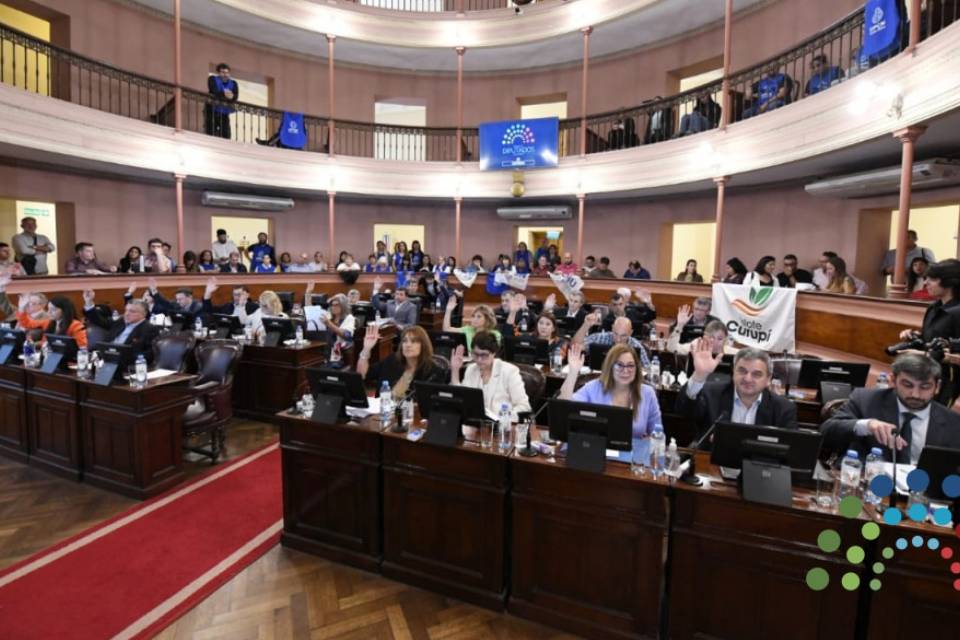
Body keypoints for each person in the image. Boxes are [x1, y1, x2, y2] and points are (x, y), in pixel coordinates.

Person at [821, 354, 960, 463]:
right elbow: (826, 431)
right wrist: (867, 425)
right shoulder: (865, 400)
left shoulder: (954, 422)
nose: (915, 394)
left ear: (937, 387)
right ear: (893, 380)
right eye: (908, 385)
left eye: (925, 387)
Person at [676, 341, 798, 437]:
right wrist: (699, 375)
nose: (748, 379)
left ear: (768, 379)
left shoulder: (783, 409)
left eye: (756, 374)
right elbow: (684, 411)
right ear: (733, 371)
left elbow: (790, 448)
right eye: (742, 371)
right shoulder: (711, 394)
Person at [559, 342, 662, 438]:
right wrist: (573, 372)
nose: (625, 370)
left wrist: (648, 441)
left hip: (634, 451)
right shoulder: (594, 387)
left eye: (630, 365)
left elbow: (658, 434)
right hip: (597, 448)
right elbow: (563, 405)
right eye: (619, 365)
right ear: (610, 366)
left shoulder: (648, 393)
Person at [898, 259, 960, 403]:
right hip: (925, 375)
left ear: (949, 282)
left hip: (948, 381)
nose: (926, 283)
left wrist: (929, 354)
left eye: (932, 279)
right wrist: (914, 336)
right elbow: (930, 339)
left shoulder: (957, 313)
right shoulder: (933, 308)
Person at [450, 330, 531, 420]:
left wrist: (503, 418)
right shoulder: (471, 369)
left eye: (484, 355)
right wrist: (455, 370)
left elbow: (524, 407)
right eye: (476, 354)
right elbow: (461, 398)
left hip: (501, 424)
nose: (479, 360)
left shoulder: (509, 371)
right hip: (475, 422)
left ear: (494, 353)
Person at [357, 324, 447, 390]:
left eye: (414, 341)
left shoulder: (433, 372)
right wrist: (366, 349)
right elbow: (362, 375)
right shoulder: (392, 360)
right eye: (405, 341)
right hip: (382, 408)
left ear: (423, 346)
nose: (408, 345)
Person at [82, 290, 158, 362]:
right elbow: (100, 321)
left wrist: (123, 357)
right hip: (105, 357)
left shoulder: (149, 329)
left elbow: (150, 354)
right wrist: (88, 302)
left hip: (126, 363)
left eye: (132, 311)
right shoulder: (120, 321)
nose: (127, 314)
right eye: (126, 310)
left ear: (143, 314)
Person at [572, 313, 651, 367]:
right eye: (615, 334)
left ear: (631, 333)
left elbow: (647, 368)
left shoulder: (636, 346)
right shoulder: (600, 337)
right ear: (612, 328)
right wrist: (586, 325)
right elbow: (575, 346)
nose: (618, 339)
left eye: (623, 336)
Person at [667, 319, 735, 358]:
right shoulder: (697, 345)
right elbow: (672, 348)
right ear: (705, 337)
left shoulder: (730, 352)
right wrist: (679, 326)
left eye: (720, 339)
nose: (715, 342)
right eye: (711, 337)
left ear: (725, 339)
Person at [321, 293, 356, 369]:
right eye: (332, 305)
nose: (333, 307)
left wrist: (329, 324)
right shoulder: (329, 316)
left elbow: (347, 335)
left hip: (339, 354)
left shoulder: (349, 318)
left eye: (336, 305)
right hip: (325, 350)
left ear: (343, 306)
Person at [205, 63, 238, 139]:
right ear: (218, 73)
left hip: (224, 112)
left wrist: (231, 96)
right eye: (223, 72)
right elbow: (213, 91)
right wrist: (224, 94)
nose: (225, 75)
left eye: (227, 73)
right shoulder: (212, 79)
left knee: (226, 135)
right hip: (212, 110)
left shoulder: (233, 83)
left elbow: (235, 96)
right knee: (210, 132)